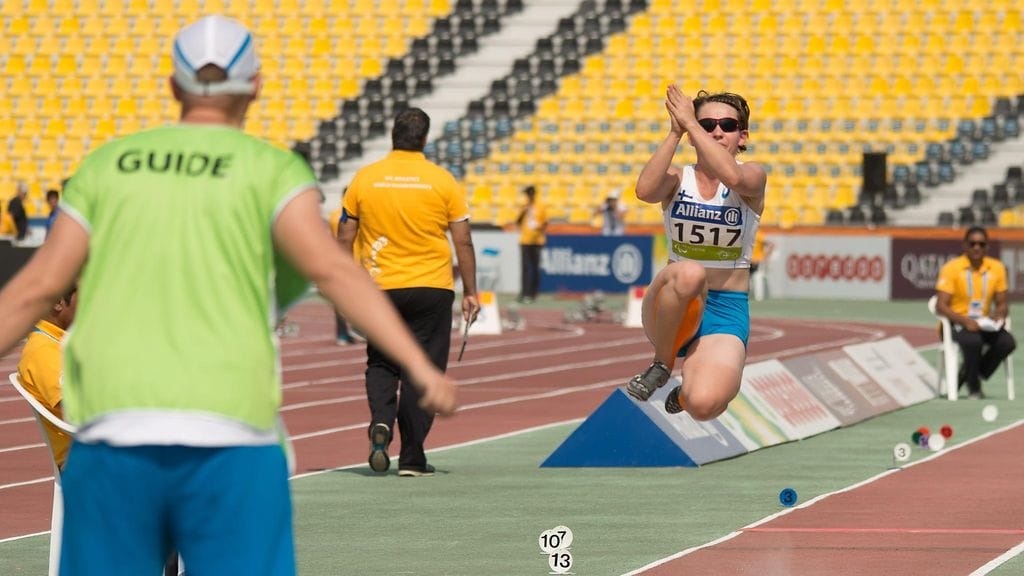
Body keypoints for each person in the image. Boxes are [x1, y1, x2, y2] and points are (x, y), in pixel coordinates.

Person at [0, 15, 457, 575]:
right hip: (229, 441)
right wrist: (420, 367)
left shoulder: (108, 166)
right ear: (256, 86)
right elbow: (336, 273)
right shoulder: (271, 172)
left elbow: (37, 289)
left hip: (114, 440)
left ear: (173, 87)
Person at [339, 107, 478, 478]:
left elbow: (345, 235)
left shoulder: (365, 179)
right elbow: (462, 240)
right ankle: (413, 457)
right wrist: (471, 291)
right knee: (425, 371)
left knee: (382, 362)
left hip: (380, 287)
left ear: (392, 135)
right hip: (431, 287)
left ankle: (381, 423)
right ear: (424, 139)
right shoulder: (442, 180)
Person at [624, 86, 767, 422]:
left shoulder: (753, 176)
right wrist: (676, 130)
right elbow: (644, 191)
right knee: (691, 272)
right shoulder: (678, 178)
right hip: (673, 304)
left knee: (704, 406)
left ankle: (684, 395)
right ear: (693, 134)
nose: (717, 131)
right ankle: (662, 364)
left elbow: (731, 175)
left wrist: (691, 121)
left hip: (725, 309)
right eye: (706, 125)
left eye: (727, 126)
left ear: (742, 136)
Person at [935, 226, 1016, 399]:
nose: (976, 247)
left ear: (987, 246)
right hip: (955, 324)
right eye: (972, 244)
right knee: (973, 341)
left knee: (1007, 342)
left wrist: (999, 313)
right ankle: (974, 387)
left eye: (981, 244)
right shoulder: (952, 268)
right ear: (964, 245)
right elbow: (940, 306)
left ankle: (971, 372)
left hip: (983, 323)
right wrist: (964, 321)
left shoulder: (997, 268)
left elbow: (1003, 303)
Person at [16, 285, 77, 470]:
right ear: (59, 302)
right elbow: (77, 407)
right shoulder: (42, 351)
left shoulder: (59, 342)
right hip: (84, 458)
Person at [328, 202, 363, 346]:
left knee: (340, 299)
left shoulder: (333, 216)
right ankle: (359, 330)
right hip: (356, 260)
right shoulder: (357, 215)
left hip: (337, 259)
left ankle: (342, 334)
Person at [516, 185, 547, 303]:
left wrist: (538, 229)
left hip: (537, 240)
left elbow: (544, 222)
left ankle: (533, 292)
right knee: (525, 268)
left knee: (535, 268)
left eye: (528, 194)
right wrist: (524, 211)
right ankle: (524, 292)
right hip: (525, 240)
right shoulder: (524, 206)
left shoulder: (540, 206)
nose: (527, 197)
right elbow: (517, 221)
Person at [749, 228, 774, 301]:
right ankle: (751, 297)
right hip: (748, 261)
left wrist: (764, 257)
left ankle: (759, 298)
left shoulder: (758, 234)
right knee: (747, 280)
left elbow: (771, 245)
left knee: (758, 278)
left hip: (757, 261)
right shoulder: (746, 234)